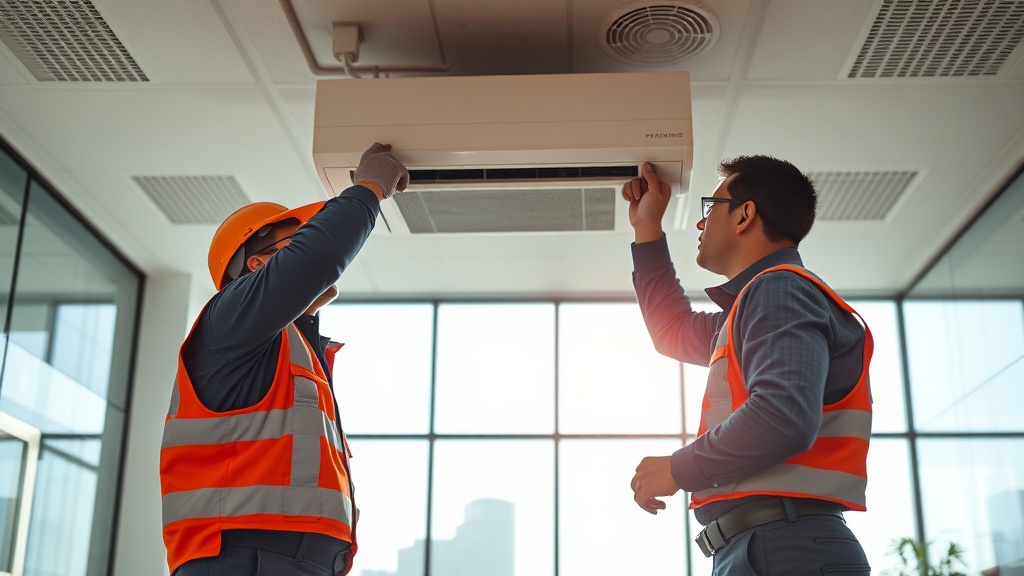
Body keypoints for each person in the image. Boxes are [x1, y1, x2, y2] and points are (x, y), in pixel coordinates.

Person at [160, 143, 409, 576]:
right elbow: (317, 258)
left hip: (284, 560)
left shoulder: (298, 355)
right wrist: (370, 187)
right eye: (295, 242)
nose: (306, 250)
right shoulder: (230, 319)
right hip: (243, 557)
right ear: (256, 266)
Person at [624, 158, 874, 575]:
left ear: (744, 214)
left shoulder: (780, 290)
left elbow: (783, 417)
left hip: (784, 547)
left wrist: (677, 468)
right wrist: (647, 229)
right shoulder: (755, 306)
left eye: (711, 207)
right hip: (769, 545)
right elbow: (670, 331)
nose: (701, 225)